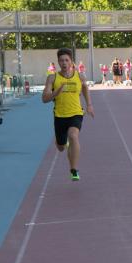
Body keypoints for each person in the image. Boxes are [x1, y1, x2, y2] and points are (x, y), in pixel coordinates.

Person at [42, 48, 94, 181]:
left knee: (73, 135)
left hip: (76, 113)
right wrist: (56, 92)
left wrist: (89, 105)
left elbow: (85, 87)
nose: (64, 63)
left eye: (66, 60)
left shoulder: (80, 76)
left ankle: (74, 170)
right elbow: (44, 99)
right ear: (58, 62)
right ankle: (61, 141)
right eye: (61, 60)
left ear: (71, 61)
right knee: (61, 147)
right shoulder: (52, 78)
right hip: (60, 116)